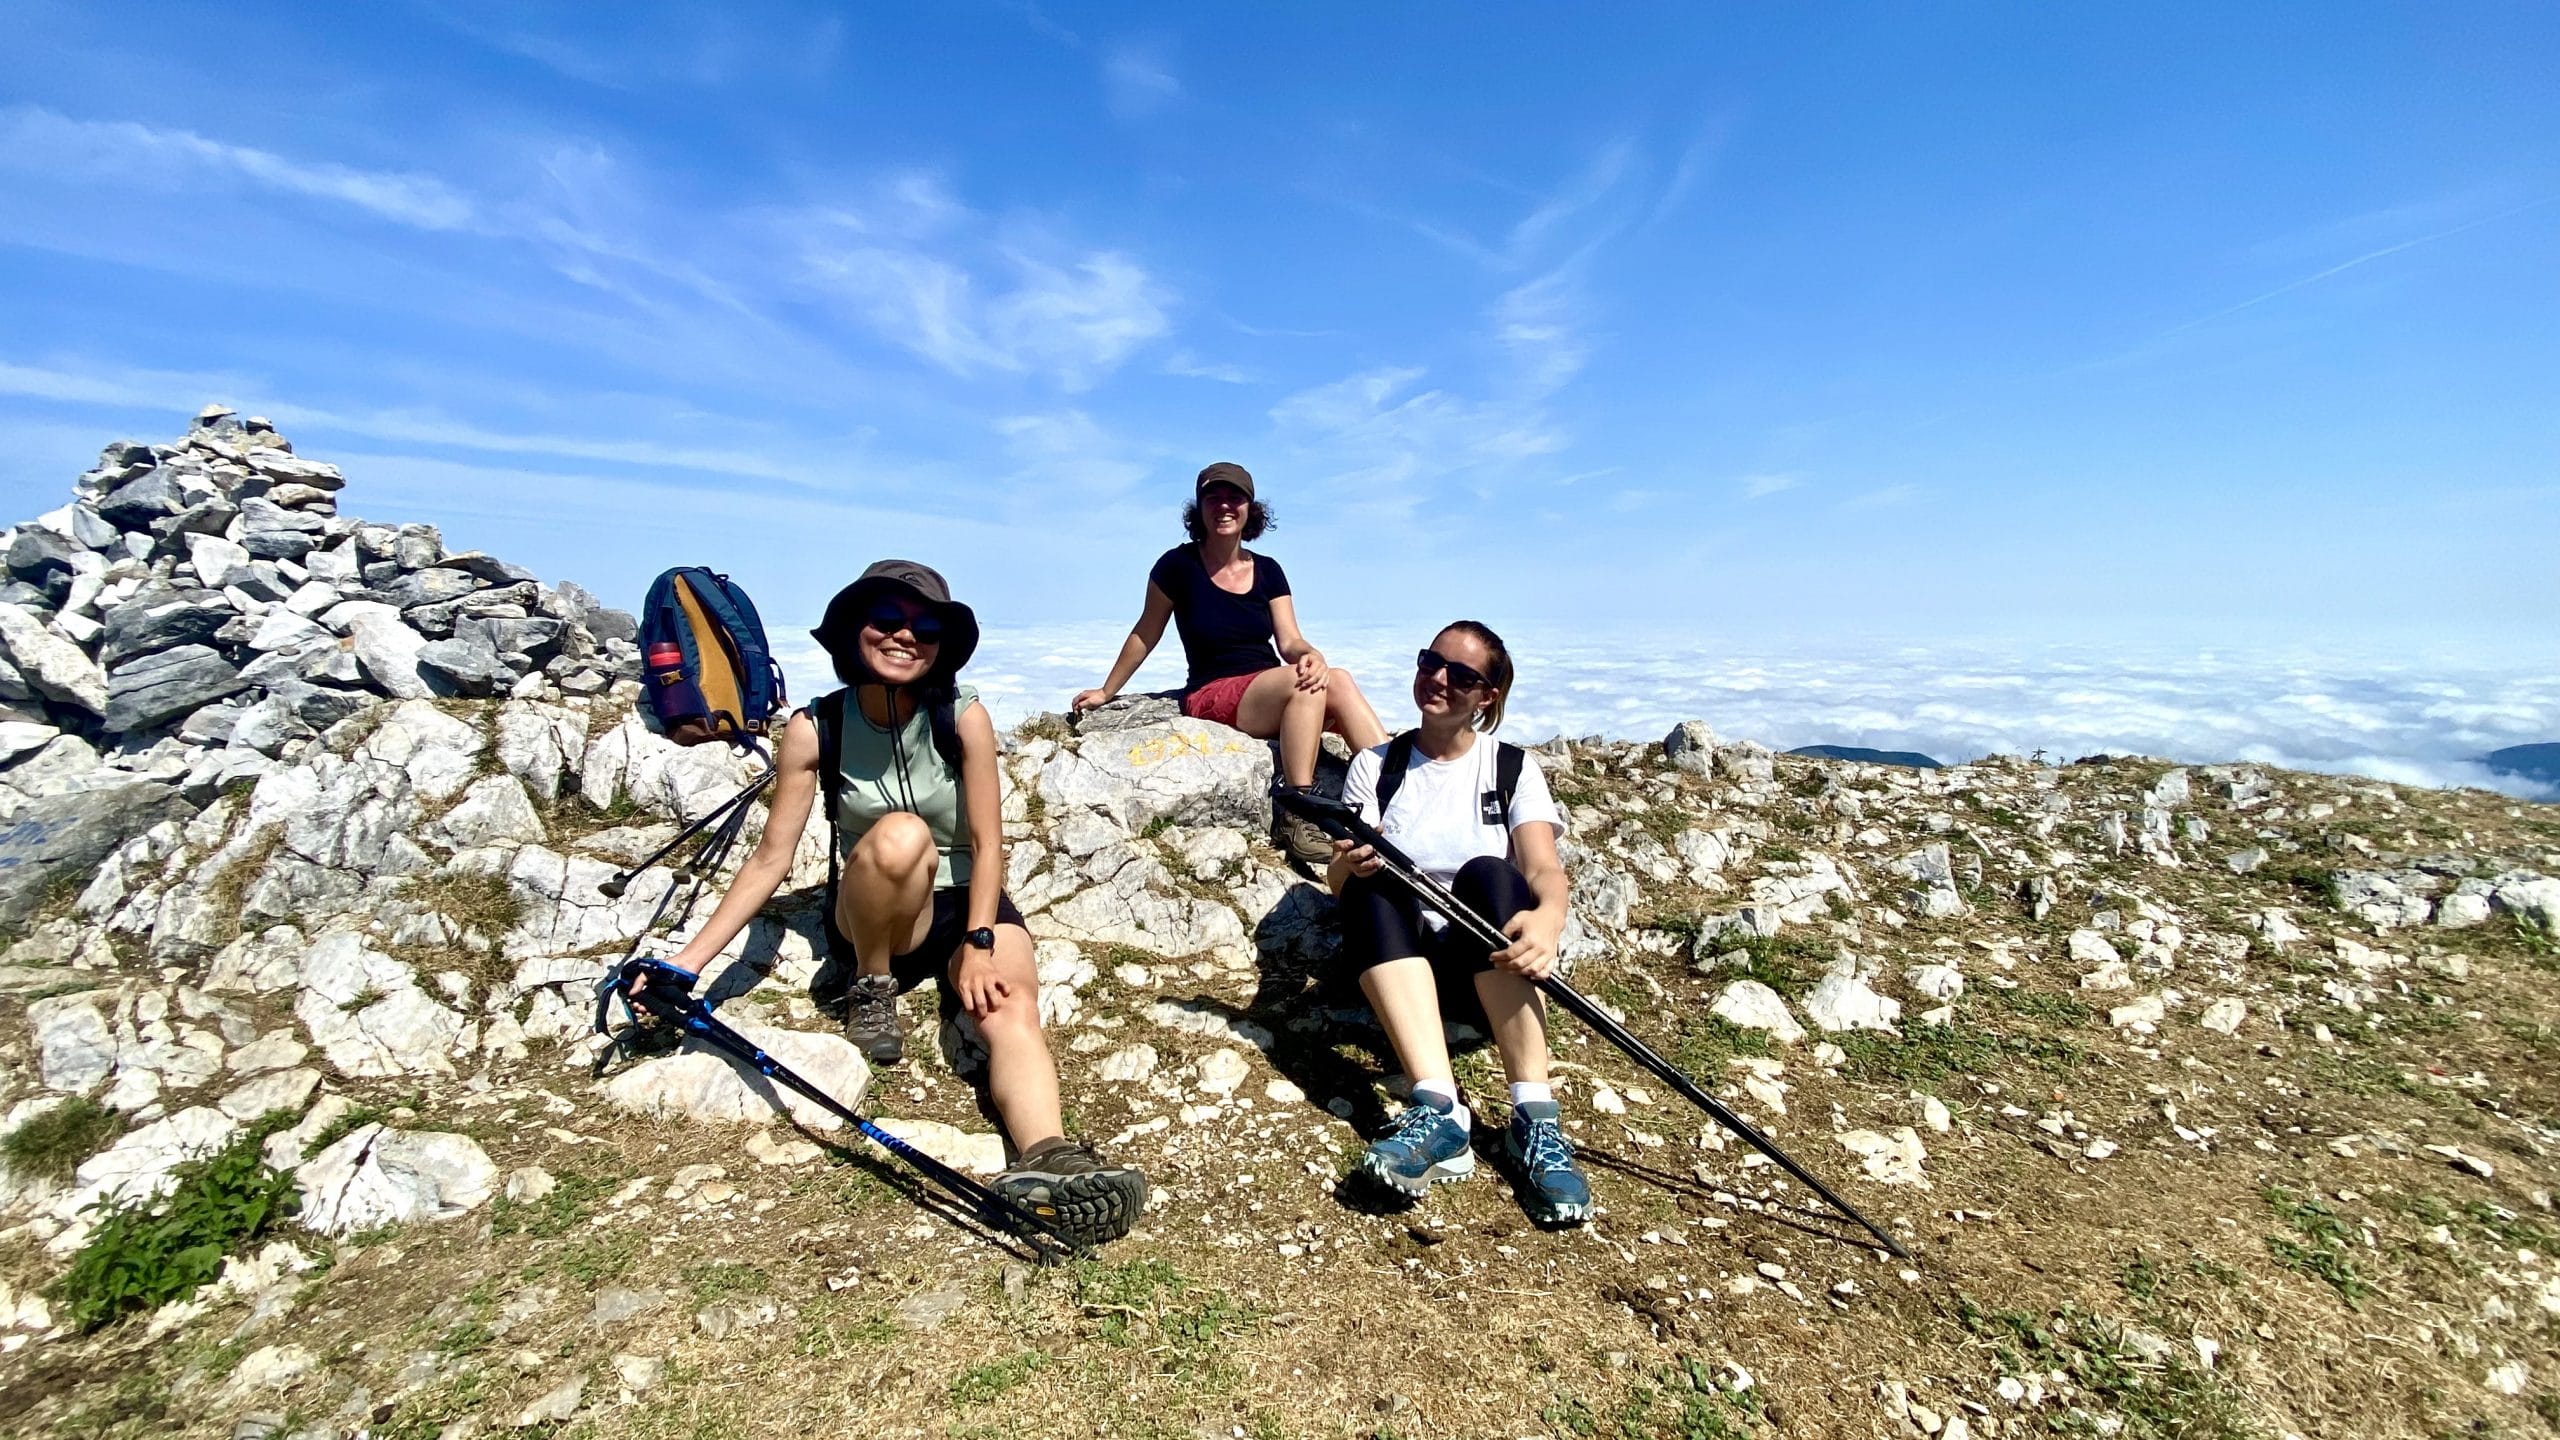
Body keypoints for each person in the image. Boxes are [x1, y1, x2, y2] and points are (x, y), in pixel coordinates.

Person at [646, 560, 1147, 1246]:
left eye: (926, 626)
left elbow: (988, 843)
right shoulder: (817, 725)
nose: (905, 636)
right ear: (854, 630)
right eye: (887, 619)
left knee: (1010, 1006)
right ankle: (872, 982)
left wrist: (979, 940)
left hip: (965, 902)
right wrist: (685, 963)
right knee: (901, 835)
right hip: (874, 914)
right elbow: (770, 860)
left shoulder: (962, 716)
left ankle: (1049, 1159)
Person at [1325, 621, 1590, 1225]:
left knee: (1491, 875)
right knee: (1377, 879)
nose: (1438, 679)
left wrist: (1547, 921)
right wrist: (1349, 864)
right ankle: (1439, 1107)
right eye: (1431, 662)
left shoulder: (1511, 768)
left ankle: (1534, 1116)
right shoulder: (1375, 766)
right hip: (1400, 967)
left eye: (1462, 675)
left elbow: (1543, 868)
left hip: (1485, 965)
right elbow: (1340, 886)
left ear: (1486, 697)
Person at [1070, 462, 1389, 865]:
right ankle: (1298, 810)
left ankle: (1396, 786)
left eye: (1234, 497)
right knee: (1302, 683)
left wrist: (1311, 655)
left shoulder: (1268, 570)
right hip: (1213, 692)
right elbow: (1145, 632)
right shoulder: (1178, 566)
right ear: (1199, 507)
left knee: (1336, 678)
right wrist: (1106, 691)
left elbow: (1289, 640)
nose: (1224, 505)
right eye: (1213, 497)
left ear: (1250, 509)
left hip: (1269, 687)